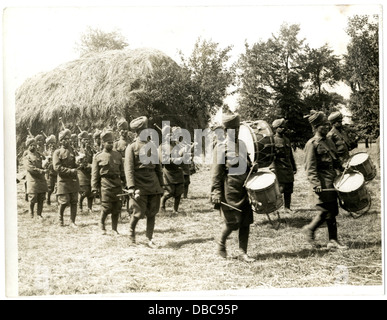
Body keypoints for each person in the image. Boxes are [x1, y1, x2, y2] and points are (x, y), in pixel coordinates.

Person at [211, 113, 255, 262]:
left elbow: (248, 165)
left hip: (245, 188)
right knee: (233, 222)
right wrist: (216, 192)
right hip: (230, 190)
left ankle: (243, 252)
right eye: (232, 129)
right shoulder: (221, 147)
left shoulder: (241, 144)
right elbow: (216, 173)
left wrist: (253, 168)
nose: (235, 131)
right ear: (225, 130)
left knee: (246, 222)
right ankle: (221, 243)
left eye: (237, 128)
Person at [302, 111, 348, 250]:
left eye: (327, 125)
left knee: (332, 211)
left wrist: (343, 168)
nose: (327, 127)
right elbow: (310, 167)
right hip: (322, 183)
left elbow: (335, 160)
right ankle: (310, 230)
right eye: (323, 125)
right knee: (324, 211)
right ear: (316, 127)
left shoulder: (328, 141)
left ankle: (332, 240)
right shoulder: (312, 144)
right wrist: (316, 184)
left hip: (332, 180)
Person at [125, 116, 164, 247]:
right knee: (137, 212)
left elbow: (158, 167)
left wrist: (161, 185)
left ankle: (149, 238)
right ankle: (131, 233)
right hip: (139, 184)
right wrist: (131, 187)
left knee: (152, 212)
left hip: (153, 183)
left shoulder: (152, 146)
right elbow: (129, 169)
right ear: (137, 132)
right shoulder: (131, 147)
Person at [91, 129, 125, 235]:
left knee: (116, 207)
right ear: (103, 143)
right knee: (106, 207)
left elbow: (123, 172)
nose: (111, 144)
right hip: (105, 184)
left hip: (117, 184)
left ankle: (114, 229)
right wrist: (94, 187)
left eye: (112, 142)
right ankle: (101, 224)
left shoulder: (118, 155)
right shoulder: (98, 156)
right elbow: (95, 174)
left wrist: (126, 183)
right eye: (108, 143)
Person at [53, 128, 80, 227]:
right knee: (64, 202)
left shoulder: (73, 151)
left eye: (68, 139)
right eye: (64, 139)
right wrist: (70, 171)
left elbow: (77, 165)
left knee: (74, 201)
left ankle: (72, 221)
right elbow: (57, 167)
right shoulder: (57, 152)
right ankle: (60, 218)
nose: (66, 141)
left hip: (73, 180)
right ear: (60, 141)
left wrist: (80, 162)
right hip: (63, 181)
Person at [271, 118, 297, 214]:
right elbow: (271, 156)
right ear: (276, 128)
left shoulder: (286, 140)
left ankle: (287, 207)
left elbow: (290, 155)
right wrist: (273, 169)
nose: (283, 128)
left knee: (289, 188)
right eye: (281, 127)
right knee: (279, 189)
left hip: (288, 167)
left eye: (283, 126)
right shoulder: (272, 140)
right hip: (279, 168)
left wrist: (294, 167)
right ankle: (275, 208)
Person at [159, 126, 185, 216]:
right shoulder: (162, 147)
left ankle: (175, 209)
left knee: (179, 191)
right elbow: (163, 160)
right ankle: (162, 206)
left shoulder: (176, 145)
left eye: (170, 134)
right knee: (170, 191)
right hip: (168, 172)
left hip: (177, 171)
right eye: (167, 135)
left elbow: (182, 157)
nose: (169, 136)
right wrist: (174, 160)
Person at [24, 136, 48, 219]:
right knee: (33, 198)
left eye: (34, 145)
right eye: (31, 145)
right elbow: (30, 169)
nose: (33, 147)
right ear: (28, 146)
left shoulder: (40, 155)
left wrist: (47, 163)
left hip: (41, 179)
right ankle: (31, 212)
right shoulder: (27, 157)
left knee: (41, 197)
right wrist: (41, 171)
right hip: (32, 180)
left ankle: (39, 214)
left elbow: (46, 162)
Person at [77, 131, 94, 214]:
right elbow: (78, 163)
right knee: (84, 191)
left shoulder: (90, 150)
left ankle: (89, 208)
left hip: (90, 173)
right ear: (81, 140)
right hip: (82, 174)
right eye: (84, 140)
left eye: (87, 140)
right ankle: (80, 206)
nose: (86, 141)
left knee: (91, 192)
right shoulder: (78, 150)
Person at [43, 134, 58, 205]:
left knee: (59, 187)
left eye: (53, 143)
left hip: (57, 172)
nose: (52, 145)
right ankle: (48, 199)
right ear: (48, 145)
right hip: (50, 173)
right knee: (50, 188)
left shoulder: (58, 151)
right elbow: (43, 164)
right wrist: (47, 160)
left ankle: (59, 201)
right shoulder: (46, 153)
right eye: (51, 143)